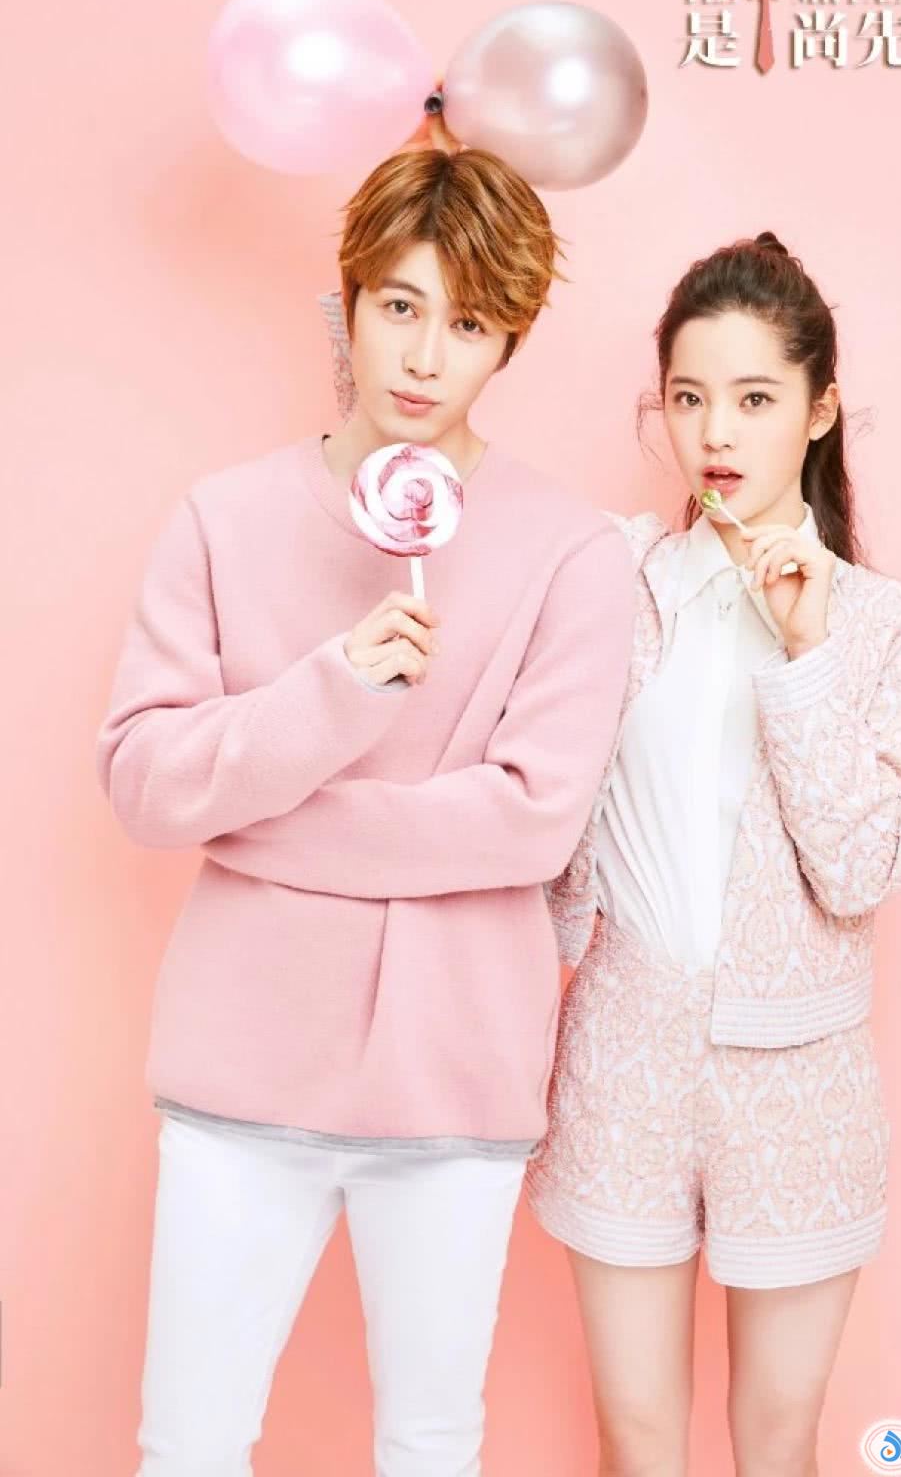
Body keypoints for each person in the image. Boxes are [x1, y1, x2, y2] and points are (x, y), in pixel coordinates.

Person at [96, 117, 636, 1477]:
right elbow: (146, 782)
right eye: (400, 306)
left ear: (508, 343)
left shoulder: (572, 552)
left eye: (468, 324)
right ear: (346, 301)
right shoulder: (221, 519)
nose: (424, 355)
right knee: (190, 1443)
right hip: (240, 1076)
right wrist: (331, 694)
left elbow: (531, 821)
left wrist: (260, 825)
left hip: (454, 1085)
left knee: (430, 1445)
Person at [524, 231, 901, 1477]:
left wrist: (805, 655)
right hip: (621, 1061)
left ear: (819, 410)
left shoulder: (890, 630)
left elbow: (861, 871)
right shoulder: (611, 584)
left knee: (775, 1438)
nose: (715, 432)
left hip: (801, 1081)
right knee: (636, 1438)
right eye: (688, 397)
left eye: (755, 399)